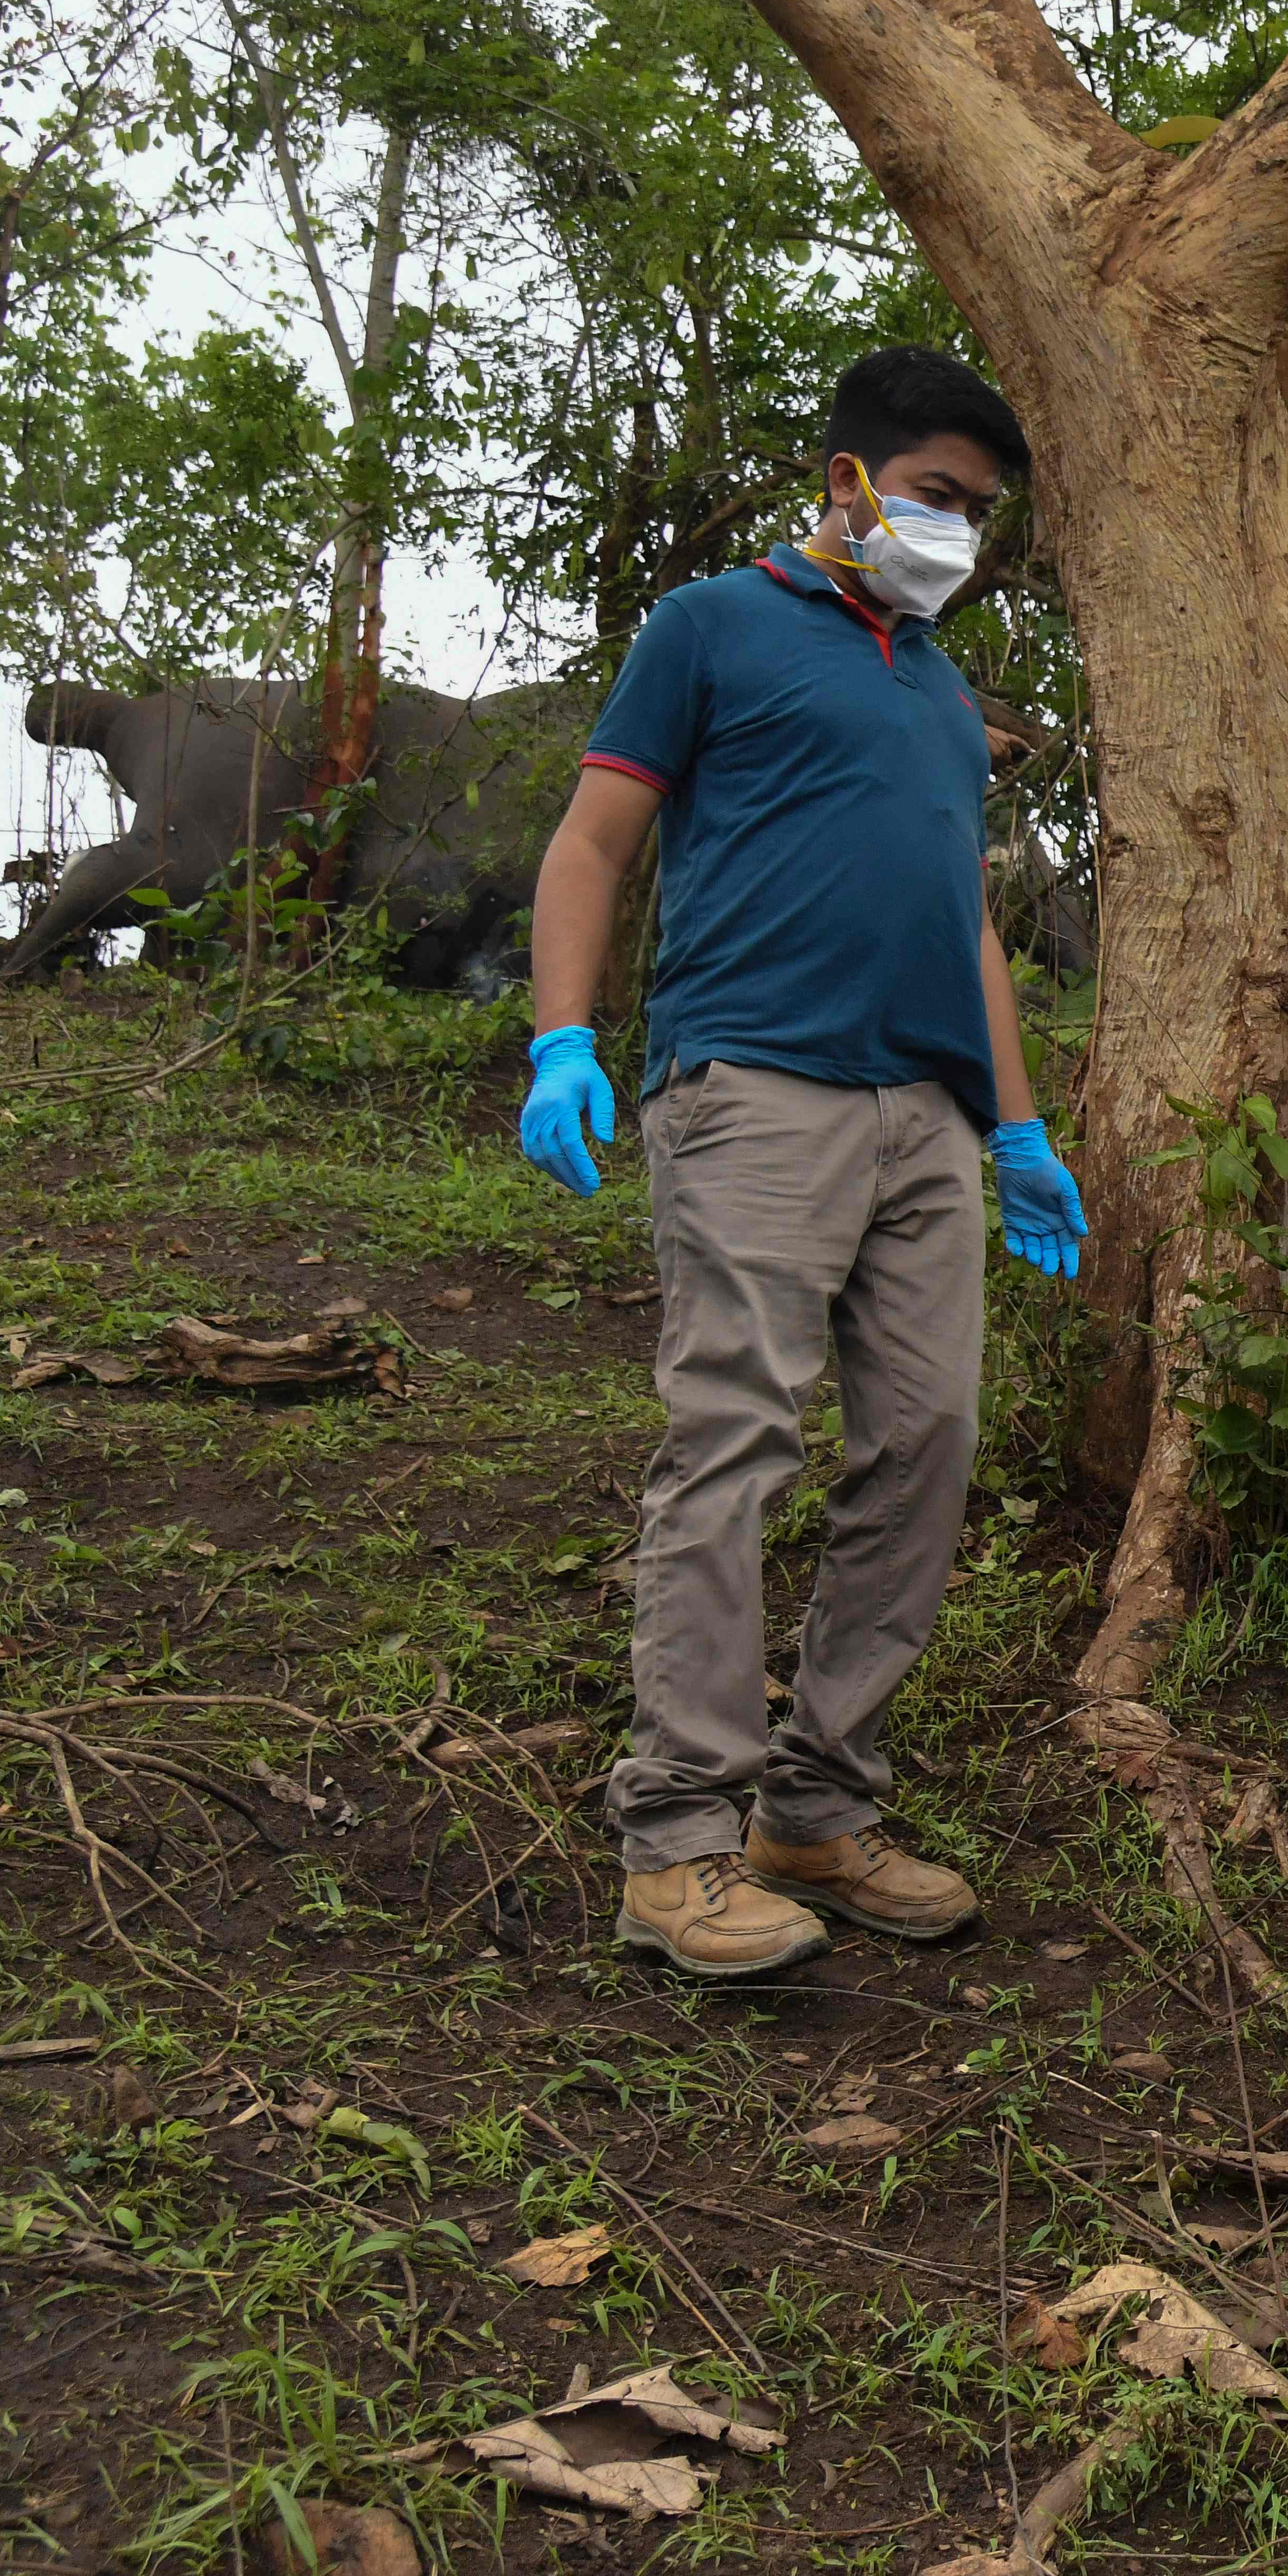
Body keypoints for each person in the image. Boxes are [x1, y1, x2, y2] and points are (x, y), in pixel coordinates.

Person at [518, 344, 1086, 1983]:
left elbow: (964, 917)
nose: (959, 533)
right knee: (735, 1441)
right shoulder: (709, 627)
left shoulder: (936, 690)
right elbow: (595, 837)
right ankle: (679, 1838)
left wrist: (1021, 1123)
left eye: (982, 514)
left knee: (925, 1441)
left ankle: (818, 1811)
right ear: (849, 481)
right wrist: (565, 1036)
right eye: (939, 496)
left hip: (929, 1116)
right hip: (753, 1086)